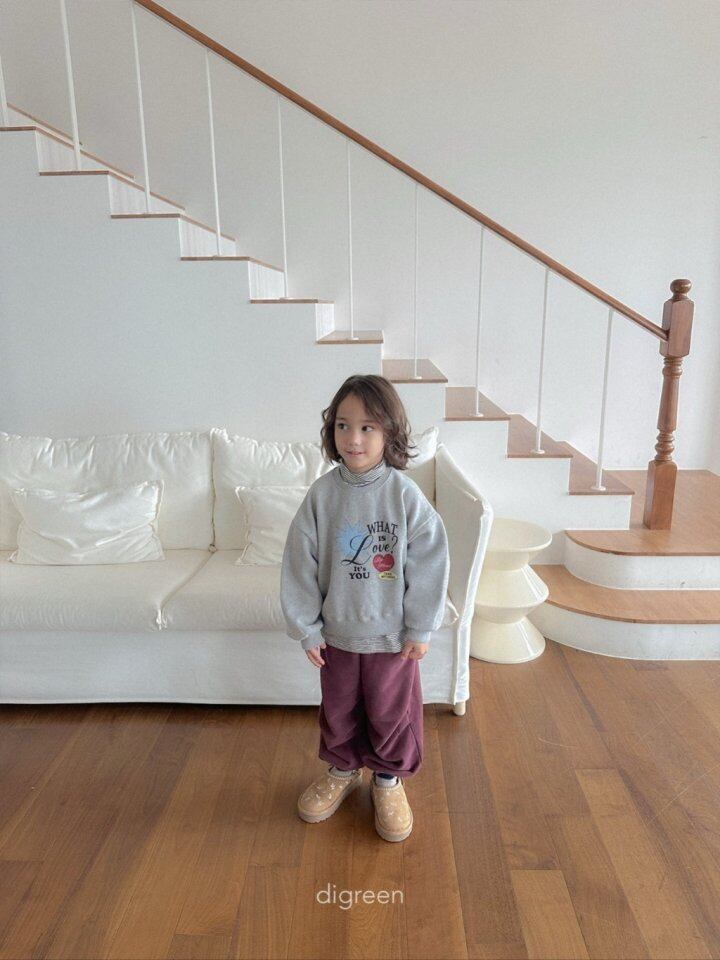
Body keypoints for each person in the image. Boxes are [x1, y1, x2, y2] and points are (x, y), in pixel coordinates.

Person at [280, 373, 450, 842]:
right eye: (343, 425)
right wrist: (307, 628)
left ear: (389, 432)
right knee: (338, 709)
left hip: (393, 639)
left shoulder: (404, 495)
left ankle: (388, 780)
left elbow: (431, 560)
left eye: (367, 427)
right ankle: (342, 769)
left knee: (390, 712)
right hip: (337, 635)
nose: (352, 438)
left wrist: (421, 626)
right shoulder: (322, 495)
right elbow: (299, 564)